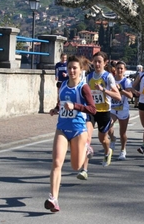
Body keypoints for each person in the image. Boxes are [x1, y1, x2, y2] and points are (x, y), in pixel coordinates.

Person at [44, 55, 96, 213]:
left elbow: (93, 109)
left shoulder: (83, 87)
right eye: (69, 68)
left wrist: (76, 106)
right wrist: (56, 109)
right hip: (62, 128)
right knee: (56, 162)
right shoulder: (63, 85)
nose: (72, 71)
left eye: (75, 68)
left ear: (81, 70)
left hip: (79, 130)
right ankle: (53, 198)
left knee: (76, 166)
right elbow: (61, 102)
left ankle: (86, 149)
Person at [86, 51, 121, 167]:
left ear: (105, 63)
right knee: (87, 135)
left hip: (104, 112)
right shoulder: (89, 77)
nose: (97, 64)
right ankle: (84, 162)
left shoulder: (108, 77)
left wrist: (103, 90)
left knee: (102, 139)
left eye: (99, 62)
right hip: (91, 111)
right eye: (95, 61)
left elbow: (118, 96)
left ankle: (107, 151)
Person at [108, 61, 134, 160]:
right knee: (108, 125)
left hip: (123, 109)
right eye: (118, 68)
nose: (119, 70)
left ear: (124, 70)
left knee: (122, 133)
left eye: (121, 68)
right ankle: (113, 138)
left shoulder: (126, 81)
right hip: (113, 108)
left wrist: (121, 90)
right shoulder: (111, 80)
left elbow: (131, 96)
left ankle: (123, 150)